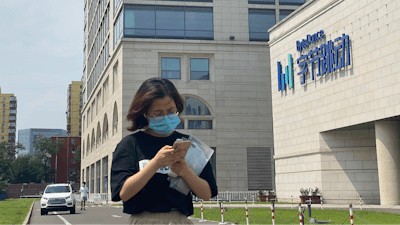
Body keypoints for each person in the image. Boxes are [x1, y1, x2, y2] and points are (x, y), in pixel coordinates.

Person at [111, 78, 218, 225]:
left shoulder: (189, 145)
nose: (166, 117)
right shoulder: (130, 145)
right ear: (145, 114)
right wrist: (155, 163)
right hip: (144, 220)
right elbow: (123, 193)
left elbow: (207, 194)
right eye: (158, 113)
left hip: (179, 220)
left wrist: (185, 171)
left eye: (171, 111)